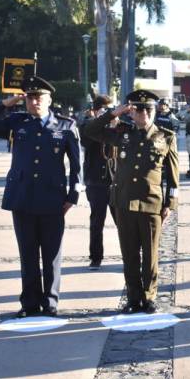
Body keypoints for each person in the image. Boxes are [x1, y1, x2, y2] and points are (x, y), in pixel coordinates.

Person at [0, 76, 80, 317]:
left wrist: (73, 194)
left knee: (52, 254)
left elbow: (76, 165)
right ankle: (29, 303)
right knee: (28, 253)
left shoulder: (65, 125)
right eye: (30, 97)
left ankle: (50, 303)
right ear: (25, 100)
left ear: (49, 99)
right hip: (22, 197)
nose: (35, 102)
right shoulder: (17, 122)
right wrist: (5, 104)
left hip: (53, 199)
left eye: (39, 97)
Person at [84, 90, 179, 314]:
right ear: (131, 111)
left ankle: (149, 297)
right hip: (124, 201)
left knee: (151, 253)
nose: (143, 113)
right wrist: (114, 113)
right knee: (129, 252)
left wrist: (170, 203)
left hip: (152, 202)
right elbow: (90, 131)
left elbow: (173, 176)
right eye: (138, 109)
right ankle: (133, 298)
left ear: (155, 111)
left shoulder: (166, 136)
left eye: (148, 109)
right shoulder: (122, 133)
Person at [78, 95, 117, 270]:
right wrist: (101, 119)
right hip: (96, 181)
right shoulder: (88, 126)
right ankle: (95, 257)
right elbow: (87, 136)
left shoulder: (119, 127)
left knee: (123, 223)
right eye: (103, 110)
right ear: (94, 111)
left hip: (116, 182)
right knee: (96, 222)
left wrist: (115, 123)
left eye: (110, 110)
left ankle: (130, 255)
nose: (107, 114)